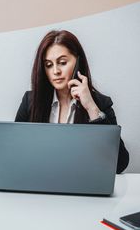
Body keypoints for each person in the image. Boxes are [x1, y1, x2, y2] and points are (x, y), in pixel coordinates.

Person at [15, 30, 129, 174]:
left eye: (62, 62)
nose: (55, 71)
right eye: (48, 65)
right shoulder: (30, 101)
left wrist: (91, 107)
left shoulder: (100, 103)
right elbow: (16, 153)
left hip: (82, 184)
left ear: (78, 62)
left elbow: (120, 165)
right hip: (41, 181)